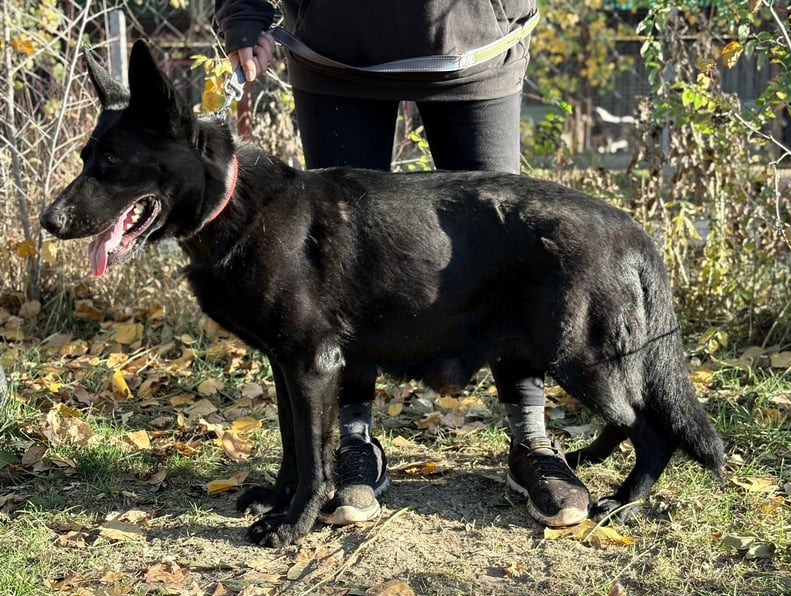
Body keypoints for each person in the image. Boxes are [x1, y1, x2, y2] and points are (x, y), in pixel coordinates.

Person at [215, 0, 591, 529]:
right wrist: (244, 16)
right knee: (340, 268)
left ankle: (531, 438)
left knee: (506, 250)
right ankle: (351, 441)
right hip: (335, 53)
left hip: (477, 44)